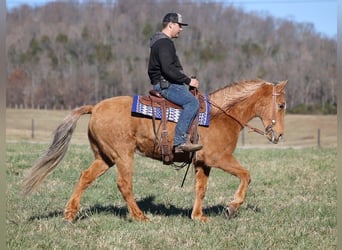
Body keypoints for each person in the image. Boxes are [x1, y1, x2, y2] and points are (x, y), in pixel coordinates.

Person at [148, 13, 202, 153]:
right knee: (192, 103)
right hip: (165, 84)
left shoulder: (159, 42)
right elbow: (168, 68)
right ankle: (180, 142)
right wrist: (188, 80)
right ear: (171, 25)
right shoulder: (164, 43)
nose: (181, 29)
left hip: (166, 82)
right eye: (179, 25)